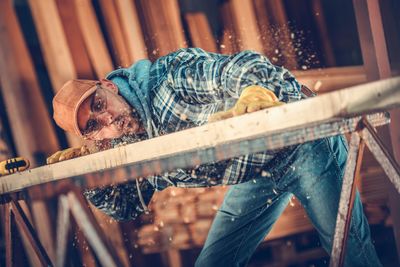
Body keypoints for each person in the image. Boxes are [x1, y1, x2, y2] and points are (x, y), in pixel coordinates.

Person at [48, 48, 382, 266]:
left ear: (109, 87)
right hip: (258, 172)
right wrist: (88, 179)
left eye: (98, 105)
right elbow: (127, 206)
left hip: (303, 143)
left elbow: (235, 69)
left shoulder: (166, 80)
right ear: (93, 138)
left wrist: (254, 90)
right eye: (93, 126)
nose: (105, 120)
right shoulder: (128, 145)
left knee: (347, 250)